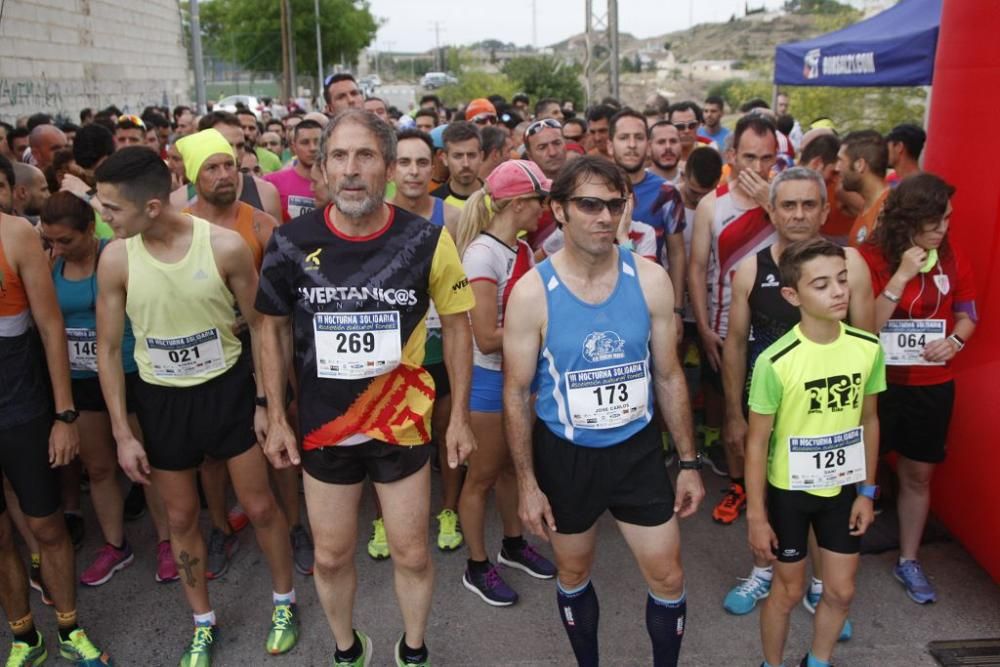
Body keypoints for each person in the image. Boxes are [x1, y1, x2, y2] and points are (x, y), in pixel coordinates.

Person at [256, 108, 476, 667]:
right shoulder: (287, 242)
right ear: (323, 169)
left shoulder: (427, 240)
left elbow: (457, 325)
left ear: (386, 168)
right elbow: (272, 328)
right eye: (339, 157)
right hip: (325, 427)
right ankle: (348, 650)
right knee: (330, 557)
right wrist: (275, 415)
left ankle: (414, 650)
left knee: (412, 551)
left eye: (366, 156)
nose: (351, 170)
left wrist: (459, 418)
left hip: (399, 423)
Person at [94, 147, 298, 665]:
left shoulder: (225, 247)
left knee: (257, 506)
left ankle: (283, 601)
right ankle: (202, 622)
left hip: (226, 392)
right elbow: (106, 350)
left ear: (154, 207)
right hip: (162, 402)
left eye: (112, 207)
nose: (104, 215)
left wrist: (266, 407)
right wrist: (121, 432)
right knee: (183, 516)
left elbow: (261, 326)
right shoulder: (116, 257)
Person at [504, 156, 705, 666]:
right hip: (567, 456)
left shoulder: (652, 280)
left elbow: (668, 375)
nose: (603, 217)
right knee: (572, 573)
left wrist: (687, 462)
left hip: (636, 451)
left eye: (613, 205)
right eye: (588, 204)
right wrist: (527, 483)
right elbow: (516, 392)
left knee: (669, 575)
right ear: (560, 211)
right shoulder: (531, 293)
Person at [720, 168, 873, 640]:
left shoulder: (850, 264)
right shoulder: (752, 268)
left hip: (831, 414)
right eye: (789, 205)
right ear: (772, 211)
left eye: (810, 204)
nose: (800, 214)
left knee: (827, 495)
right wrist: (732, 411)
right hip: (772, 411)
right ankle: (766, 571)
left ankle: (822, 585)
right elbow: (735, 343)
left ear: (826, 210)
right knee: (772, 498)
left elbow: (867, 341)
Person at [745, 237, 884, 667]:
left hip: (842, 489)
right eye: (821, 284)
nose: (839, 291)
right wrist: (756, 516)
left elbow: (870, 421)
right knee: (786, 593)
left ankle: (818, 661)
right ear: (792, 295)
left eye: (842, 280)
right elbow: (757, 441)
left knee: (841, 591)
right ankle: (772, 662)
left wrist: (868, 491)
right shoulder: (775, 360)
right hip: (790, 492)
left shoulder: (866, 348)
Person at [0, 154, 113, 667]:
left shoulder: (17, 235)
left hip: (21, 406)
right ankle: (25, 637)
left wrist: (65, 415)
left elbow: (51, 328)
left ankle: (68, 627)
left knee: (47, 527)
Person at [858, 173, 977, 604]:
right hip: (877, 383)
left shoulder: (952, 254)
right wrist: (902, 274)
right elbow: (866, 326)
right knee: (859, 472)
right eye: (937, 219)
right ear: (910, 219)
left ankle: (909, 559)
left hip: (931, 382)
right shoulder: (868, 256)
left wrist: (956, 340)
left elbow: (968, 314)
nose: (945, 227)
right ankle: (839, 555)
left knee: (918, 473)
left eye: (948, 218)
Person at [452, 160, 556, 606]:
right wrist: (544, 332)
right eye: (540, 200)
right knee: (481, 478)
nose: (545, 209)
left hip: (518, 377)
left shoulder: (522, 250)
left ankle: (512, 544)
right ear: (517, 204)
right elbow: (486, 336)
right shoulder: (481, 255)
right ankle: (477, 566)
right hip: (489, 381)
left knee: (516, 466)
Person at [689, 114, 778, 525]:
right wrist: (703, 327)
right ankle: (740, 484)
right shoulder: (713, 204)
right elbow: (696, 268)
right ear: (731, 155)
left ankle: (778, 489)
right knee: (734, 415)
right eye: (749, 157)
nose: (758, 168)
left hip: (780, 327)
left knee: (779, 415)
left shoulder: (784, 199)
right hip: (727, 327)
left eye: (767, 158)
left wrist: (770, 204)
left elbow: (804, 246)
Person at [387, 128, 465, 553]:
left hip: (440, 343)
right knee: (390, 436)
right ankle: (385, 518)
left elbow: (460, 286)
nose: (414, 171)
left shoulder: (449, 216)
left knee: (444, 429)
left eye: (421, 162)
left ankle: (448, 509)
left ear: (433, 166)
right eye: (404, 162)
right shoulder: (376, 214)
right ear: (390, 168)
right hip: (394, 352)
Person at [264, 119, 323, 222]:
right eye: (305, 143)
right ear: (294, 147)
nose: (313, 148)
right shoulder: (271, 182)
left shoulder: (336, 182)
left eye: (318, 142)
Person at [837, 130, 889, 248]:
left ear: (859, 165)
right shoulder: (869, 205)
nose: (837, 168)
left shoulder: (889, 211)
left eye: (841, 160)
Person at [432, 122, 483, 209]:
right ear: (444, 158)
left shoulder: (497, 200)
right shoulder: (433, 204)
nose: (466, 164)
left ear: (481, 156)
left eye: (471, 155)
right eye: (457, 156)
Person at [236, 109, 282, 175]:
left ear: (257, 132)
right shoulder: (222, 157)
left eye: (251, 128)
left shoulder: (272, 159)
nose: (247, 133)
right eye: (242, 127)